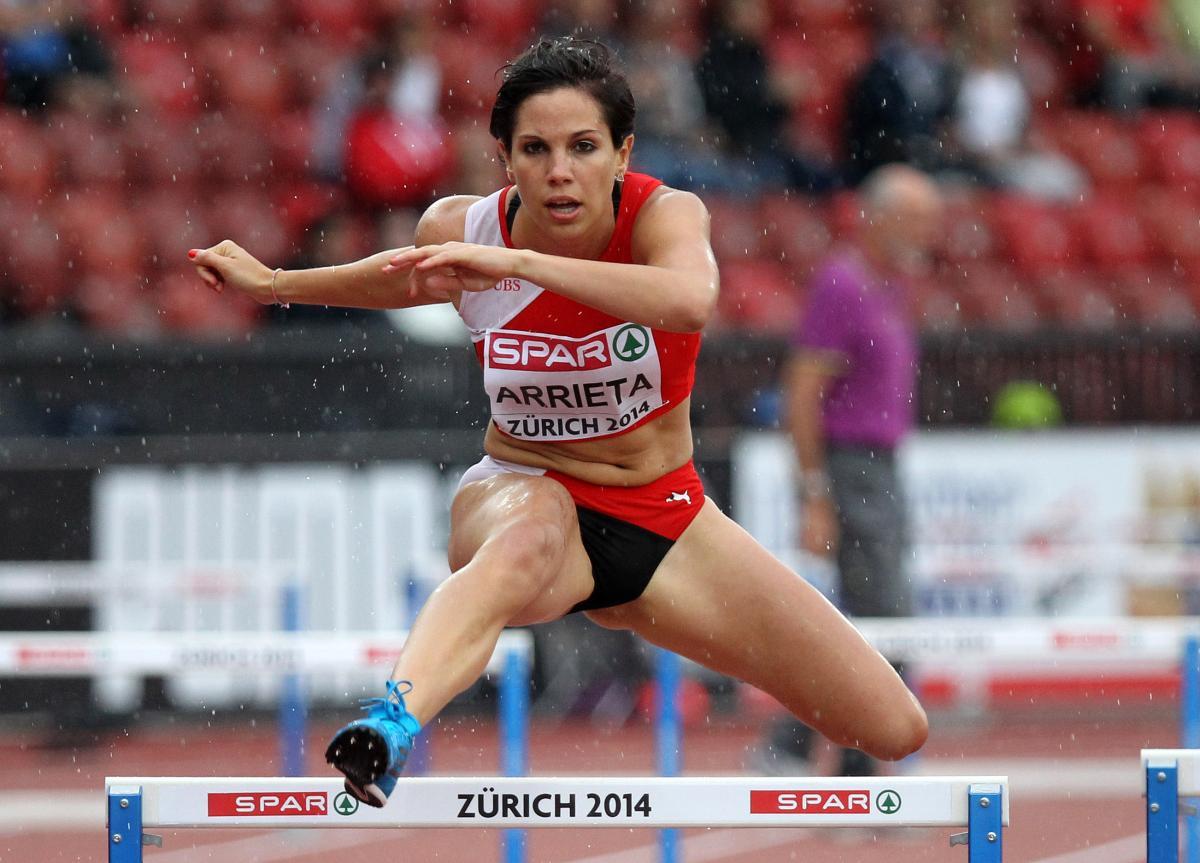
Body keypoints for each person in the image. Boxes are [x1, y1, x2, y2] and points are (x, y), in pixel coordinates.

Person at [188, 37, 927, 808]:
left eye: (583, 147)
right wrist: (274, 282)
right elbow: (398, 279)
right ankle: (392, 724)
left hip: (665, 520)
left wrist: (521, 267)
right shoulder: (463, 229)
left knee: (891, 725)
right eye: (534, 150)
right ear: (504, 157)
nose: (559, 172)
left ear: (622, 152)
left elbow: (688, 299)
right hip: (524, 489)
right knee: (530, 531)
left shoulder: (664, 216)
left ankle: (638, 627)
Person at [762, 164, 942, 777]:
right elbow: (802, 392)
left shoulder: (890, 284)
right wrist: (814, 493)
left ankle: (794, 745)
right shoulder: (844, 284)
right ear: (877, 216)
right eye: (915, 216)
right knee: (882, 613)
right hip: (852, 464)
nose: (928, 229)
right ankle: (858, 770)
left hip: (880, 464)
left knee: (875, 614)